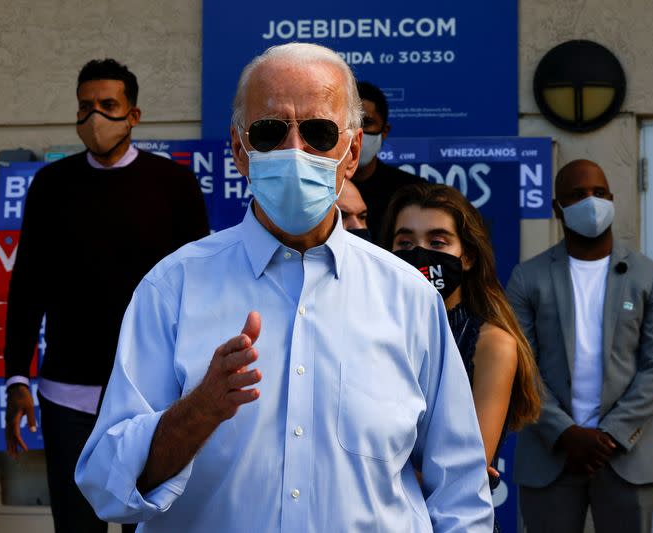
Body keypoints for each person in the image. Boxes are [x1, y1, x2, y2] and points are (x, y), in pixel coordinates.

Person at [75, 42, 494, 532]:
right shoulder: (173, 287)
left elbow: (461, 492)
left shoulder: (408, 296)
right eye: (270, 131)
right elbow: (107, 485)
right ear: (239, 150)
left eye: (318, 132)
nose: (295, 151)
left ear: (352, 151)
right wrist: (197, 412)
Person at [3, 58, 209, 533]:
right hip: (67, 396)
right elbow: (28, 284)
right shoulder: (51, 186)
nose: (94, 117)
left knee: (154, 526)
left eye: (108, 105)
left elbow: (198, 290)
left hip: (153, 397)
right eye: (85, 106)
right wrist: (17, 376)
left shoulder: (174, 185)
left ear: (133, 114)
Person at [506, 159, 653, 533]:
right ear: (558, 209)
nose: (591, 202)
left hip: (626, 456)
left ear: (613, 200)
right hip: (550, 455)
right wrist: (565, 433)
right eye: (578, 195)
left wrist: (611, 435)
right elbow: (521, 365)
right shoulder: (527, 277)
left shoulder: (649, 276)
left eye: (599, 194)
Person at [383, 182, 542, 532]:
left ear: (467, 256)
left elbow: (461, 475)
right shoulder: (372, 331)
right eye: (405, 243)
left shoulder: (492, 344)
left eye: (438, 242)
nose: (420, 254)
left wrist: (372, 470)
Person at [352, 80, 423, 239]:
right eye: (350, 123)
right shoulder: (320, 188)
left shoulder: (411, 192)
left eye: (367, 123)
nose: (357, 133)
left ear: (384, 131)